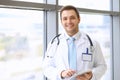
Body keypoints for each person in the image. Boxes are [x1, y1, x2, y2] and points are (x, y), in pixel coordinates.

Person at [43, 5, 107, 80]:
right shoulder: (54, 43)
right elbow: (46, 68)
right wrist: (61, 73)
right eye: (65, 19)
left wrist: (92, 76)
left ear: (78, 19)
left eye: (72, 18)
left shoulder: (92, 43)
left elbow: (102, 66)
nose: (69, 21)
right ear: (61, 21)